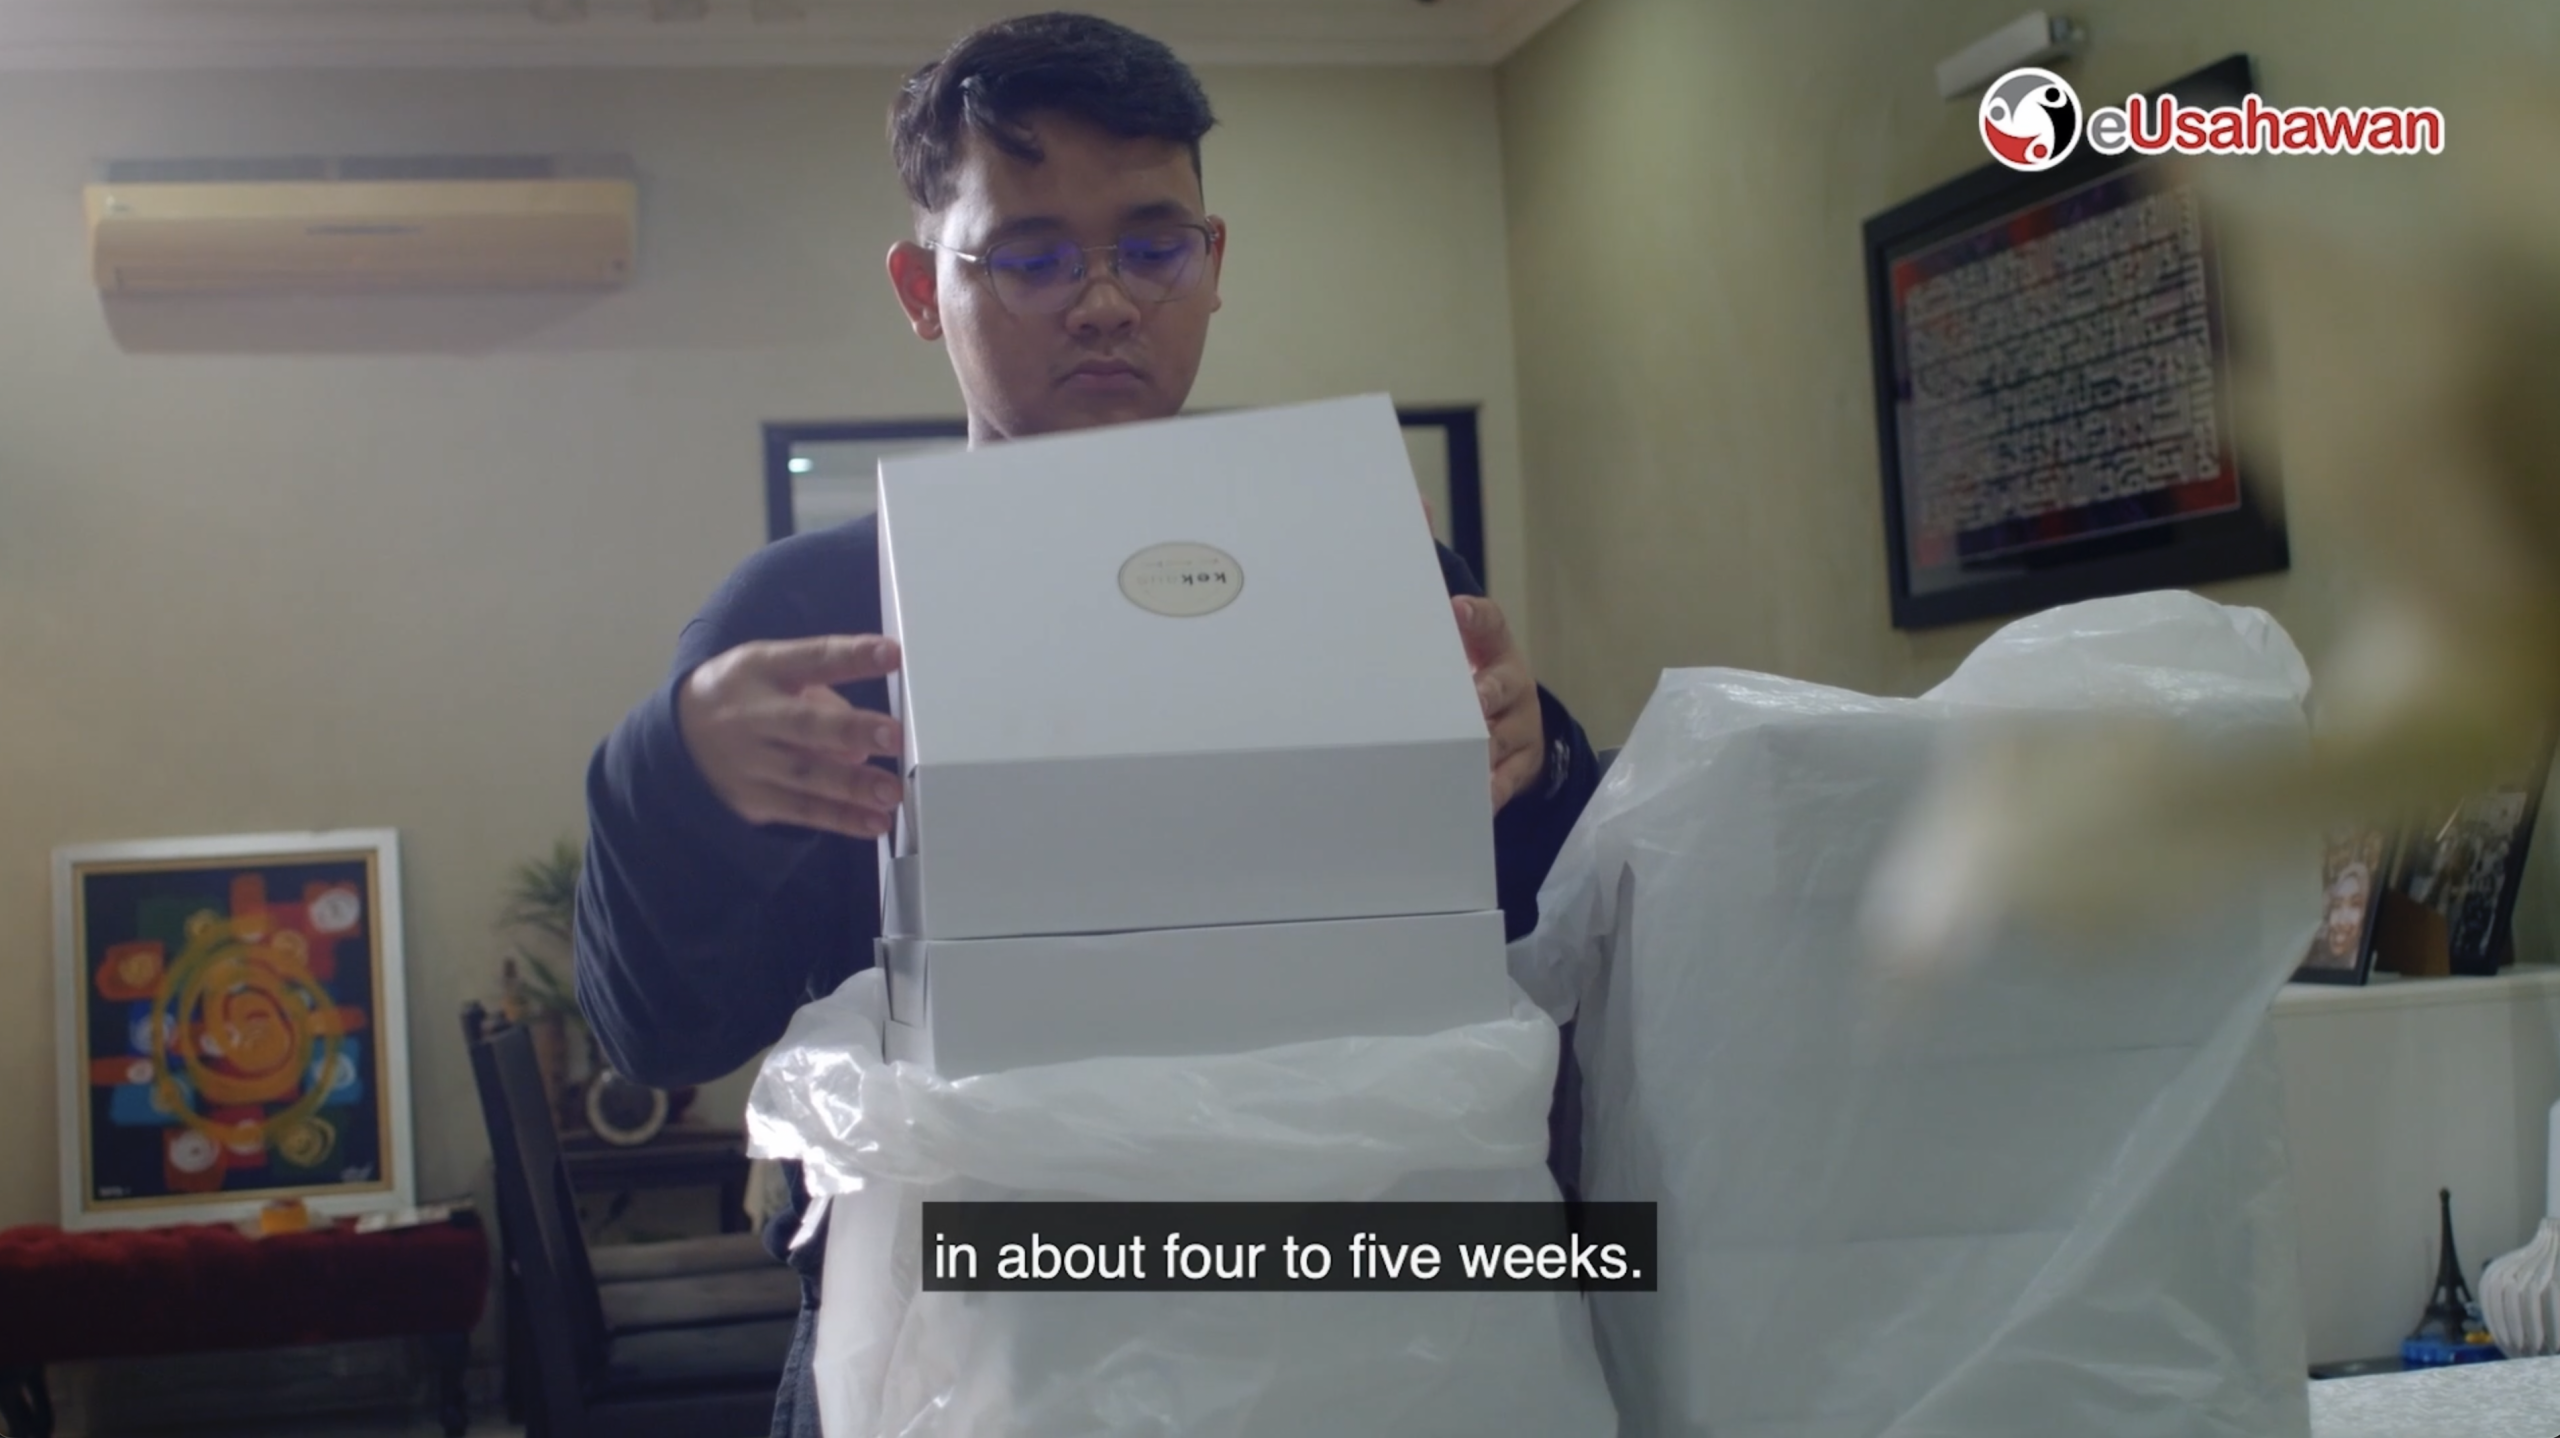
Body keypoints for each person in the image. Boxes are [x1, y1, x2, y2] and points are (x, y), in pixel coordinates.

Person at [572, 12, 1601, 1432]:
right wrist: (674, 775)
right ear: (922, 287)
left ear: (1214, 263)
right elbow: (660, 1033)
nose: (1105, 301)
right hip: (960, 1333)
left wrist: (1537, 759)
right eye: (1033, 256)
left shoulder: (1365, 564)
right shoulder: (811, 622)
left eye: (1153, 246)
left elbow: (1523, 938)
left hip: (1347, 1302)